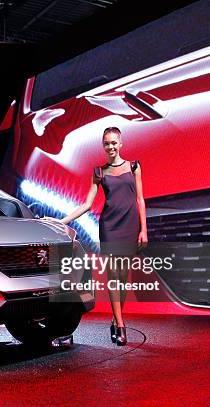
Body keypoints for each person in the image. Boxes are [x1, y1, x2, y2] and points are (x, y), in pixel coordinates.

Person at [56, 126, 147, 346]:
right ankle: (122, 326)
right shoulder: (99, 172)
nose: (111, 146)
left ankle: (116, 320)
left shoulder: (134, 166)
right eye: (107, 143)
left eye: (114, 142)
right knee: (113, 276)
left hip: (130, 226)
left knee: (123, 279)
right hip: (109, 227)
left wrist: (144, 229)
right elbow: (87, 204)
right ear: (103, 145)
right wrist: (61, 222)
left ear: (121, 143)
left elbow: (140, 200)